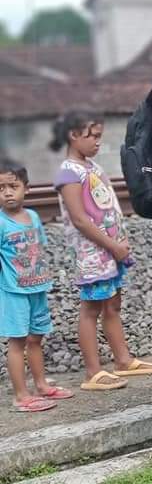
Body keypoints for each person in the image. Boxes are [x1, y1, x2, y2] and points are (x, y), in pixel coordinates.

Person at [50, 111, 152, 390]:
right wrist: (113, 245)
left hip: (111, 251)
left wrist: (118, 243)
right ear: (73, 135)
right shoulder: (69, 173)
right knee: (90, 309)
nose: (99, 142)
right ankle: (92, 372)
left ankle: (123, 360)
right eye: (94, 136)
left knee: (113, 304)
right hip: (93, 253)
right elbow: (79, 219)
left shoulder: (91, 167)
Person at [0, 159, 74, 412]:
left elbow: (39, 249)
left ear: (26, 188)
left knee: (35, 339)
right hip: (14, 292)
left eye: (13, 186)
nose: (7, 192)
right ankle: (21, 395)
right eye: (1, 188)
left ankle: (41, 384)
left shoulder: (32, 216)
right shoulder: (0, 222)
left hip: (37, 289)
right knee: (17, 341)